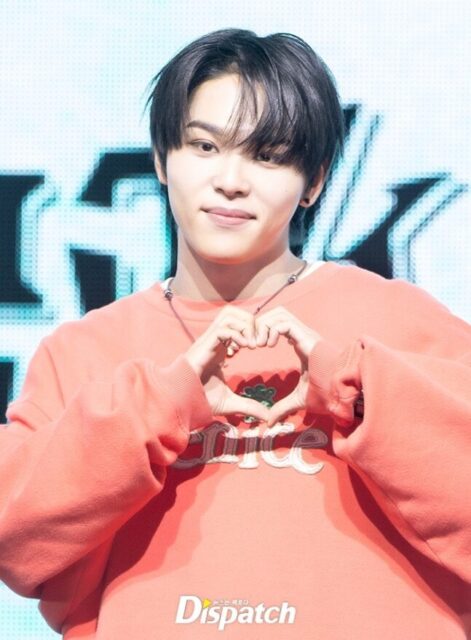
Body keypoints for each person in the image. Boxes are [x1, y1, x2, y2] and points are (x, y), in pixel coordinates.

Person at [0, 28, 470, 640]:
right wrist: (161, 405)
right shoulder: (82, 353)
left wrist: (356, 393)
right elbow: (15, 541)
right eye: (204, 146)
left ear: (315, 181)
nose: (231, 180)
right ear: (161, 158)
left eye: (268, 156)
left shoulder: (402, 322)